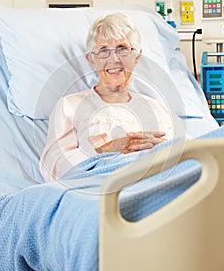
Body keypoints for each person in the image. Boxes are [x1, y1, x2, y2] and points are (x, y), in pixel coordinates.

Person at [40, 12, 185, 182]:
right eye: (103, 51)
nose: (114, 59)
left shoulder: (157, 109)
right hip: (100, 191)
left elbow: (186, 160)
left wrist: (160, 153)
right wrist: (105, 150)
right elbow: (52, 170)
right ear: (92, 60)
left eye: (122, 49)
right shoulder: (69, 107)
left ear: (136, 56)